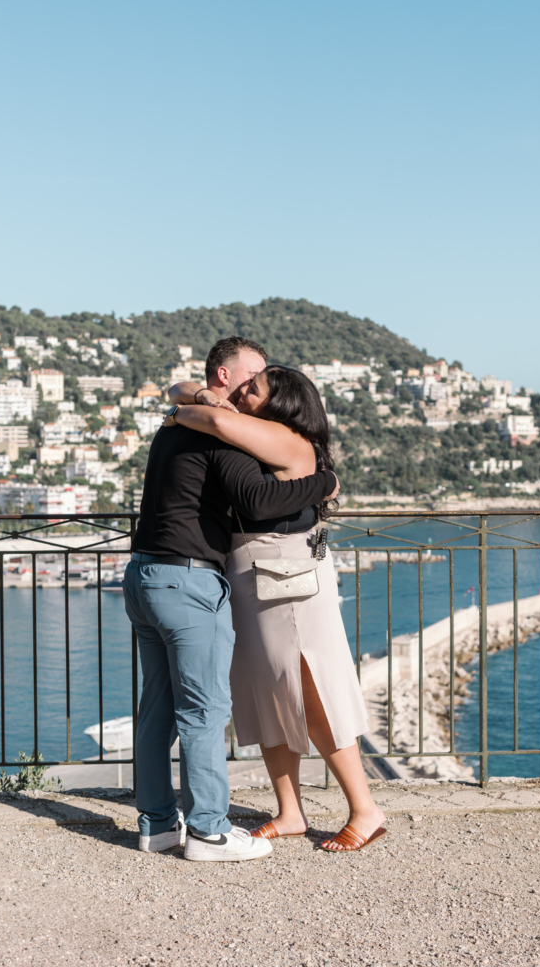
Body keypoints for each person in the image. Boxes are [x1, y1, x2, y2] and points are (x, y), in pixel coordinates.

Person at [125, 336, 339, 863]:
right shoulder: (224, 430)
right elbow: (258, 499)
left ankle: (157, 824)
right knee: (203, 711)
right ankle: (207, 831)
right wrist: (323, 483)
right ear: (224, 378)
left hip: (144, 574)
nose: (254, 388)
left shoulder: (178, 419)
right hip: (189, 582)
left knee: (157, 710)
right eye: (251, 378)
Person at [167, 363, 387, 852]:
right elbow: (178, 390)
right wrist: (198, 395)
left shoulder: (285, 439)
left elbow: (217, 423)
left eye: (253, 389)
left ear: (281, 403)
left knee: (313, 693)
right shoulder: (257, 433)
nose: (242, 393)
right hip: (254, 576)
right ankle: (291, 812)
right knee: (268, 695)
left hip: (290, 582)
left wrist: (193, 408)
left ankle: (365, 809)